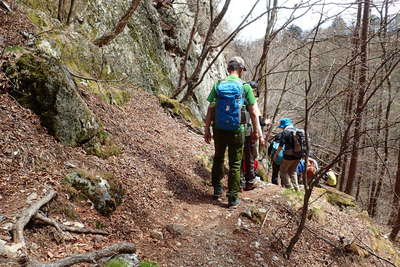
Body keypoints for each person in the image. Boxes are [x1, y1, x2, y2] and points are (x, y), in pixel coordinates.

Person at [204, 56, 260, 208]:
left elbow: (211, 108)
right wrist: (256, 131)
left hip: (219, 128)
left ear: (228, 69)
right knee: (235, 164)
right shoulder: (245, 87)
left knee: (218, 158)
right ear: (240, 70)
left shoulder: (218, 85)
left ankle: (216, 189)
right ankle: (232, 198)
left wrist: (206, 129)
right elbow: (254, 112)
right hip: (238, 130)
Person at [241, 81, 265, 191]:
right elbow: (256, 118)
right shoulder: (252, 101)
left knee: (239, 156)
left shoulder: (239, 97)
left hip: (235, 129)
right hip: (248, 131)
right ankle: (249, 182)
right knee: (249, 156)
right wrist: (260, 136)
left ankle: (239, 180)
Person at [274, 118, 304, 191]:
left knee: (283, 171)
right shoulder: (298, 131)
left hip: (289, 155)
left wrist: (276, 154)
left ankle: (290, 188)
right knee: (293, 171)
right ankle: (297, 188)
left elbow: (281, 146)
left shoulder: (285, 132)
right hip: (299, 155)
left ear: (284, 126)